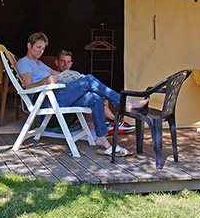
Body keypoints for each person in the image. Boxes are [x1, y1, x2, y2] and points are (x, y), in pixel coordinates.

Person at [17, 32, 147, 155]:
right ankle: (123, 101)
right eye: (38, 47)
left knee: (95, 98)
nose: (41, 51)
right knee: (89, 79)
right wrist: (45, 81)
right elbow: (28, 87)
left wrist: (79, 78)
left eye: (43, 48)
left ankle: (101, 138)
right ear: (29, 45)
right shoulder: (24, 63)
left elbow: (59, 74)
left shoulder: (39, 63)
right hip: (45, 101)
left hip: (56, 96)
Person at [54, 49, 134, 135]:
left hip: (73, 111)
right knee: (90, 86)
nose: (66, 65)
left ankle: (112, 122)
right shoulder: (53, 77)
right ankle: (114, 121)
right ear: (56, 62)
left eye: (68, 61)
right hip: (61, 113)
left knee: (96, 96)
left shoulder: (74, 74)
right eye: (63, 61)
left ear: (71, 63)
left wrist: (102, 96)